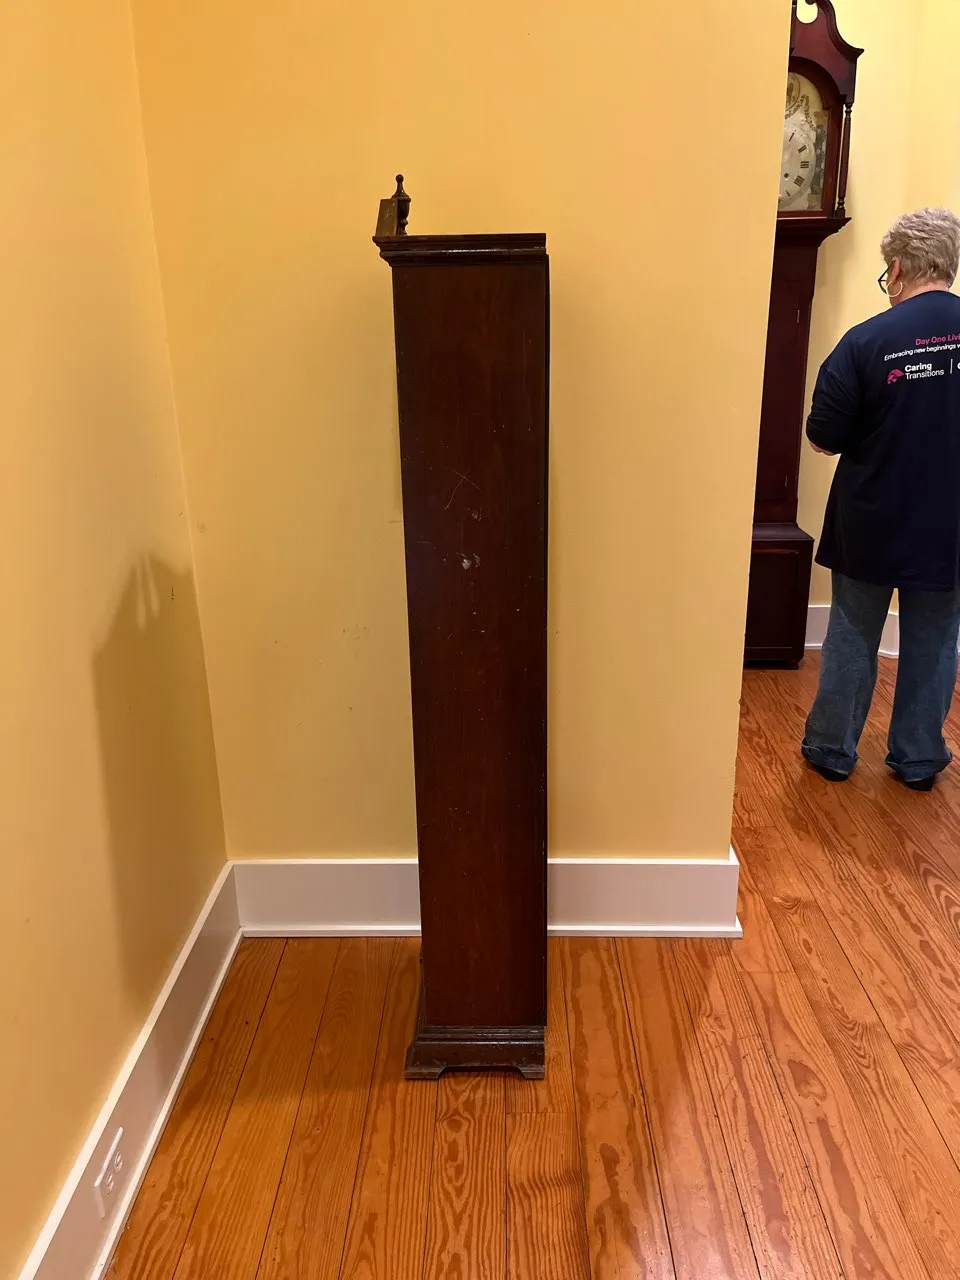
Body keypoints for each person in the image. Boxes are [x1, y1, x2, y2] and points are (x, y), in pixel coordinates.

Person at [802, 207, 960, 791]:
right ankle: (918, 758)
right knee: (936, 639)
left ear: (896, 269)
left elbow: (823, 437)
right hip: (951, 524)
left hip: (871, 517)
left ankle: (831, 749)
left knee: (852, 633)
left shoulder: (866, 341)